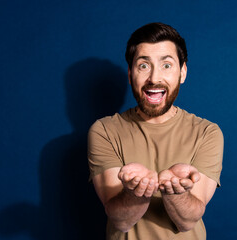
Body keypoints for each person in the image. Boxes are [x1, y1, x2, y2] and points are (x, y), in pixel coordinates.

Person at [88, 22, 224, 240]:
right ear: (130, 74)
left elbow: (187, 221)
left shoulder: (207, 133)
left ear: (183, 72)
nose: (154, 78)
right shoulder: (104, 131)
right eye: (143, 65)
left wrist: (175, 191)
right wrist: (135, 193)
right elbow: (121, 221)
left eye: (167, 65)